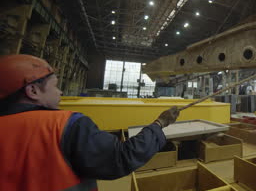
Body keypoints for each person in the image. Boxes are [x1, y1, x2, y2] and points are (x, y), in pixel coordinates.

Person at [0, 54, 180, 191]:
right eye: (55, 86)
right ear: (32, 90)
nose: (61, 92)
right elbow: (121, 157)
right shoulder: (65, 124)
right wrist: (159, 123)